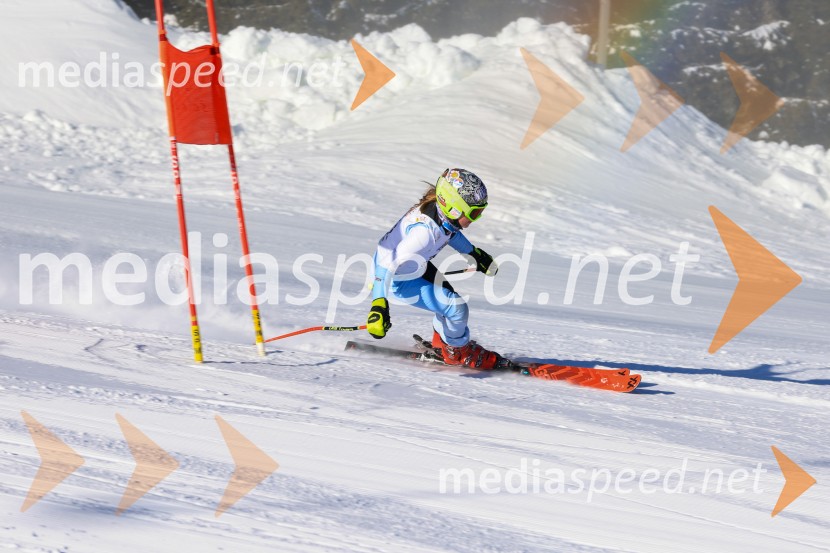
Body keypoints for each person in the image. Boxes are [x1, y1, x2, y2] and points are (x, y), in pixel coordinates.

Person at [366, 168, 501, 369]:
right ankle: (456, 351)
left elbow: (450, 234)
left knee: (449, 301)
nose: (476, 218)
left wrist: (474, 254)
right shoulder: (424, 233)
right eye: (474, 213)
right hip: (393, 280)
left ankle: (444, 344)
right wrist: (378, 305)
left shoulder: (442, 216)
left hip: (413, 269)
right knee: (456, 308)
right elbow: (386, 264)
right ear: (454, 208)